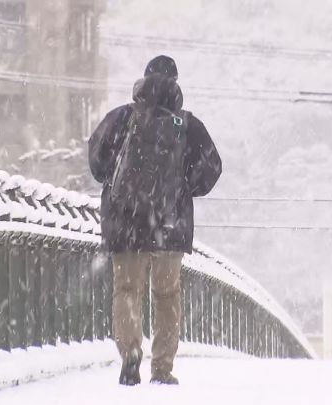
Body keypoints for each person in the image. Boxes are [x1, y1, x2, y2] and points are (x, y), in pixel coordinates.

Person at [88, 55, 222, 386]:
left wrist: (115, 185)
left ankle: (130, 355)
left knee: (127, 290)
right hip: (170, 225)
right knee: (167, 296)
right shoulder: (187, 125)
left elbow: (97, 158)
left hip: (126, 223)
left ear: (143, 81)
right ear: (176, 83)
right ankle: (162, 368)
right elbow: (213, 167)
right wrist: (184, 189)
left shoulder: (122, 118)